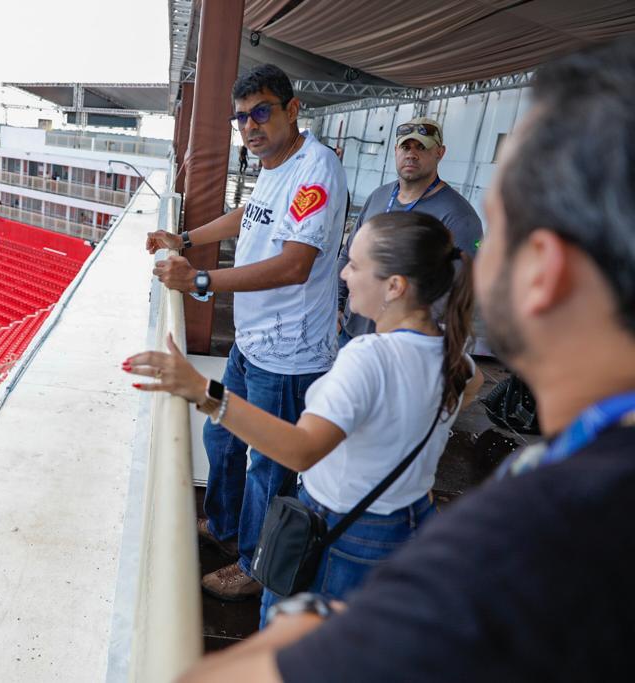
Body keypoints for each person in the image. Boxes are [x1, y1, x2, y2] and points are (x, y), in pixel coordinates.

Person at [174, 36, 635, 682]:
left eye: (496, 229)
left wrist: (308, 624)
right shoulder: (462, 376)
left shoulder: (537, 537)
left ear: (544, 272)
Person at [127, 211, 482, 627]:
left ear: (394, 286)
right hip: (406, 519)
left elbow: (302, 451)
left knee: (289, 645)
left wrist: (204, 393)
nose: (344, 273)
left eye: (354, 263)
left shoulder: (370, 359)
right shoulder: (456, 358)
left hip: (343, 531)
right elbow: (466, 392)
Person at [144, 64, 347, 602]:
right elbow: (247, 216)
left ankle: (257, 564)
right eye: (242, 118)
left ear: (292, 108)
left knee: (268, 465)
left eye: (261, 112)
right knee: (222, 438)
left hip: (289, 354)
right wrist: (184, 237)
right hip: (252, 341)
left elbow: (294, 265)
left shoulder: (315, 169)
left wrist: (201, 279)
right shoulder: (275, 167)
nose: (250, 126)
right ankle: (228, 527)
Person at [337, 117, 483, 345]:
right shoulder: (379, 196)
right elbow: (348, 255)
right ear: (395, 150)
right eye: (405, 146)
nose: (411, 154)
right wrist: (337, 305)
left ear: (440, 153)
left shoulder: (458, 216)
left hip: (403, 345)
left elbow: (459, 290)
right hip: (352, 333)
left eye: (421, 147)